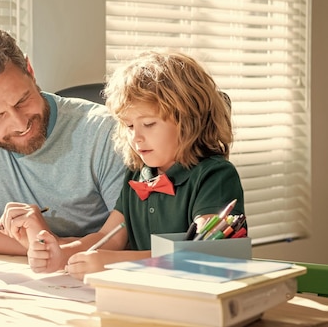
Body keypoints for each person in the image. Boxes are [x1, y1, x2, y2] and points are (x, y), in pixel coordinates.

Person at [28, 51, 246, 279]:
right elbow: (110, 237)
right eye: (129, 126)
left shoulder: (215, 176)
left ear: (188, 120)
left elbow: (201, 257)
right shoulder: (137, 174)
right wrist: (63, 254)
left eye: (148, 124)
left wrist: (114, 263)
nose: (136, 138)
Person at [0, 24, 127, 256]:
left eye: (22, 100)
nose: (19, 123)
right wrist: (42, 245)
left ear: (30, 70)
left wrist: (50, 248)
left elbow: (126, 236)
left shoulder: (104, 130)